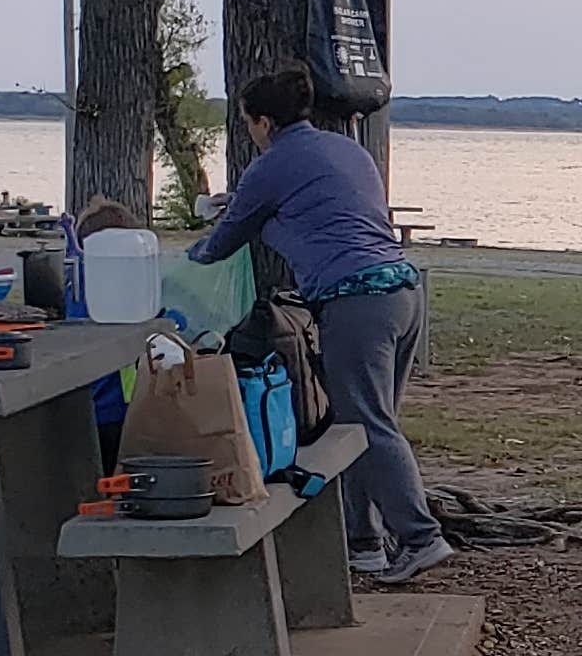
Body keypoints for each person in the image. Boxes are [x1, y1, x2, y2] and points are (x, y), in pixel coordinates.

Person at [188, 65, 451, 583]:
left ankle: (421, 537)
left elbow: (221, 245)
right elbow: (326, 210)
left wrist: (187, 255)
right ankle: (364, 541)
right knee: (357, 426)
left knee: (369, 426)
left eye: (248, 124)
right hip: (403, 290)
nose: (250, 134)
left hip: (356, 301)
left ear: (263, 123)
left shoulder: (271, 166)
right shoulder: (348, 150)